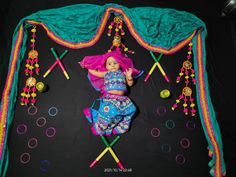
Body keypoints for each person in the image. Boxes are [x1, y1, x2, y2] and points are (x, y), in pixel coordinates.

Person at [79, 50, 143, 136]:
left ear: (119, 64)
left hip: (122, 99)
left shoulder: (123, 73)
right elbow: (95, 73)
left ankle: (122, 127)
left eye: (115, 63)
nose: (112, 65)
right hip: (110, 98)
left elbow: (130, 84)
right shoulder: (106, 73)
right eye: (109, 64)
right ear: (106, 66)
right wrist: (87, 65)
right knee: (111, 112)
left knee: (132, 109)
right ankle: (100, 128)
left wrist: (129, 77)